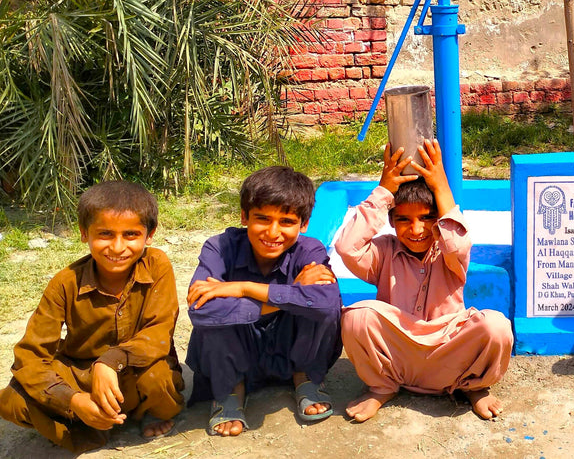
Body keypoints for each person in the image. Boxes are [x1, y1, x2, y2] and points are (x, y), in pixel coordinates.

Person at [335, 139, 513, 422]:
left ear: (439, 220)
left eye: (427, 218)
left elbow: (457, 243)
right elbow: (347, 247)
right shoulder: (383, 252)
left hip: (449, 353)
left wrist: (441, 184)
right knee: (356, 317)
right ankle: (381, 387)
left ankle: (475, 388)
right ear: (391, 220)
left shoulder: (448, 251)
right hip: (400, 356)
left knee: (497, 326)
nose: (416, 230)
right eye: (404, 220)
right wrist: (384, 190)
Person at [0, 181, 184, 452]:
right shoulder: (65, 282)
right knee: (11, 401)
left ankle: (147, 411)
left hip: (135, 371)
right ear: (84, 234)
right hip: (81, 375)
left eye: (131, 234)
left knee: (158, 377)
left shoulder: (157, 265)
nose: (118, 247)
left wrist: (111, 361)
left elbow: (159, 331)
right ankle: (86, 420)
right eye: (105, 234)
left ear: (150, 234)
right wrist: (71, 399)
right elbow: (29, 357)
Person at [185, 166, 342, 436]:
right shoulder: (219, 248)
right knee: (215, 319)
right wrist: (291, 292)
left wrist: (244, 288)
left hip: (289, 346)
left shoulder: (310, 249)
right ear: (244, 217)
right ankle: (231, 389)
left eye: (287, 222)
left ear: (303, 224)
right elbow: (201, 311)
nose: (272, 232)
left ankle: (305, 376)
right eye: (262, 219)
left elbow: (326, 303)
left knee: (323, 310)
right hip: (236, 352)